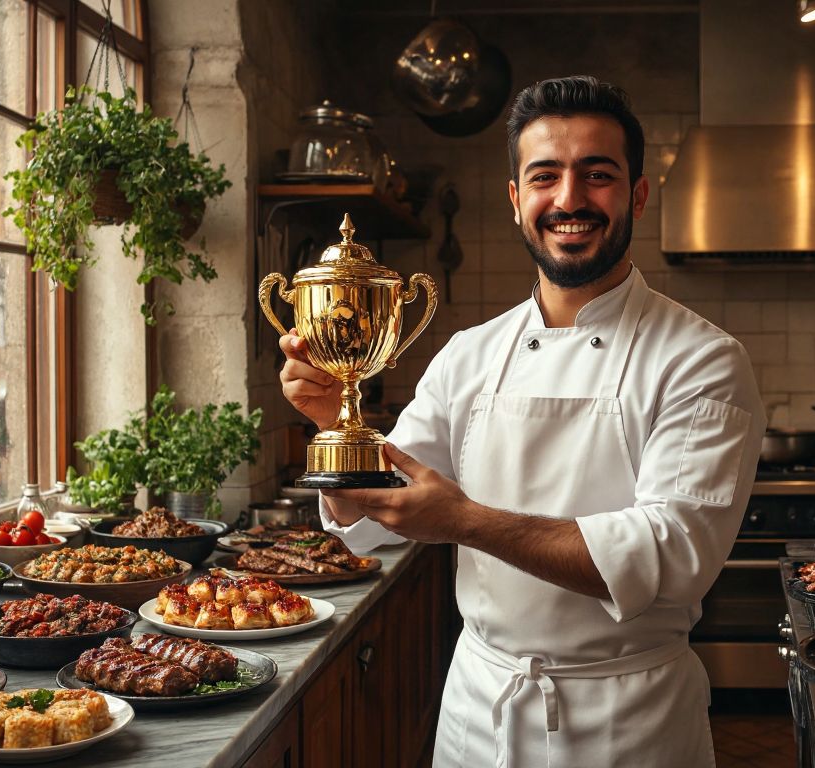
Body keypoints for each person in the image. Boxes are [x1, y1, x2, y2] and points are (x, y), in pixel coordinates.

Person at [278, 75, 765, 768]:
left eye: (597, 175)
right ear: (516, 200)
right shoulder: (469, 354)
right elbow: (370, 505)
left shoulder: (702, 359)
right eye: (546, 176)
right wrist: (336, 418)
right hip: (480, 708)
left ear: (638, 194)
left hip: (628, 722)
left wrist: (465, 521)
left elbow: (668, 555)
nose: (570, 200)